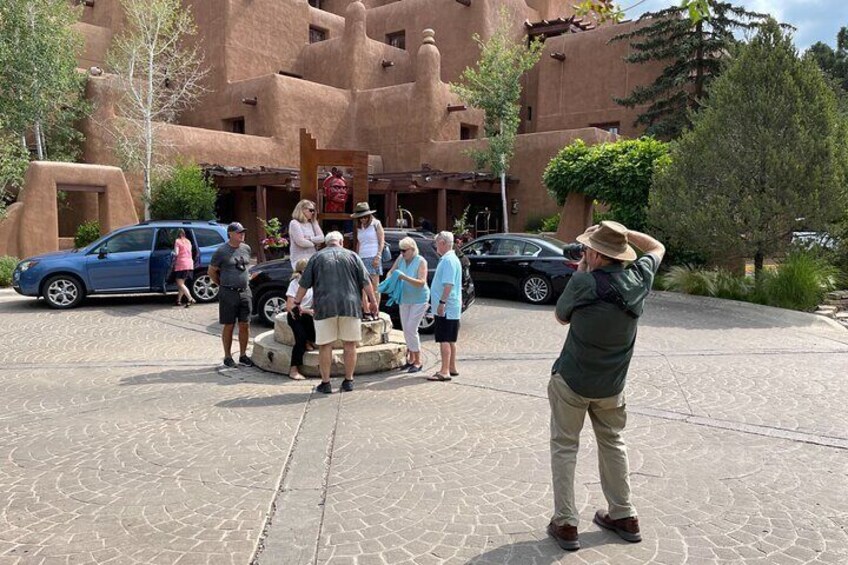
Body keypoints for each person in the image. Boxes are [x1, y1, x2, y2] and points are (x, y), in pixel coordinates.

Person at [546, 221, 664, 552]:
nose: (583, 252)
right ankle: (624, 515)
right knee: (613, 443)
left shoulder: (583, 282)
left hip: (572, 381)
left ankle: (566, 523)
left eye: (587, 248)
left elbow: (561, 316)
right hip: (612, 386)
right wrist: (624, 233)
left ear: (597, 254)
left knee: (565, 447)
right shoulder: (640, 277)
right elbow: (656, 247)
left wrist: (582, 270)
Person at [292, 231, 378, 394]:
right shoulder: (353, 256)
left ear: (326, 242)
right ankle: (349, 380)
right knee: (350, 344)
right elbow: (366, 282)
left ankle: (326, 383)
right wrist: (373, 303)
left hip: (325, 307)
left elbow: (304, 284)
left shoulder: (316, 258)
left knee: (325, 345)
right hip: (350, 306)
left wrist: (296, 303)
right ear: (341, 242)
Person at [208, 222, 255, 369]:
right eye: (239, 232)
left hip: (244, 291)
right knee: (229, 324)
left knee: (245, 324)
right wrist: (222, 284)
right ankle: (228, 356)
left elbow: (246, 267)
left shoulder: (246, 248)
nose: (242, 234)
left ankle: (243, 355)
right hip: (228, 292)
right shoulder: (221, 251)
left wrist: (248, 278)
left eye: (243, 232)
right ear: (230, 234)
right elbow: (212, 271)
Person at [385, 237, 429, 373]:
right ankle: (411, 359)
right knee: (406, 329)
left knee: (411, 328)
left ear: (412, 249)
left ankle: (418, 360)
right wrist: (388, 280)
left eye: (404, 250)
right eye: (401, 250)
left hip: (419, 299)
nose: (402, 253)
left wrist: (403, 277)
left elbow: (421, 282)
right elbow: (391, 271)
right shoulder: (401, 259)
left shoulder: (421, 261)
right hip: (404, 298)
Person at [427, 231, 462, 382]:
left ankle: (444, 370)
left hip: (447, 307)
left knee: (444, 339)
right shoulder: (452, 258)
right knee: (451, 339)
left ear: (442, 243)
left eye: (436, 244)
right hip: (452, 306)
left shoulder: (448, 260)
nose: (436, 247)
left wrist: (442, 303)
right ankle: (452, 367)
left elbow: (449, 284)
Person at [351, 202, 386, 317]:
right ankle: (366, 311)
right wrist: (356, 257)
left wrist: (378, 256)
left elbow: (381, 241)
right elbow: (359, 243)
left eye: (365, 217)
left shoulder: (376, 224)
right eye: (360, 217)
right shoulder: (359, 227)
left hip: (373, 256)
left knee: (375, 286)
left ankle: (375, 311)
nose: (363, 219)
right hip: (362, 257)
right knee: (362, 286)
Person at [285, 258, 315, 380]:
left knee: (316, 336)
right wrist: (307, 310)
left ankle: (309, 340)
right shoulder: (294, 284)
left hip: (308, 315)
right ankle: (293, 369)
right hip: (296, 315)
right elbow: (289, 306)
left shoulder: (313, 282)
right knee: (300, 340)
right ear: (303, 270)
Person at [289, 199, 324, 267]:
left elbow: (322, 238)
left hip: (312, 258)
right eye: (311, 210)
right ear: (302, 210)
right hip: (300, 260)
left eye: (314, 210)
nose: (313, 212)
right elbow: (301, 242)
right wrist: (314, 243)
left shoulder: (313, 222)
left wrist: (309, 238)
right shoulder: (294, 223)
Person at [173, 229, 195, 308]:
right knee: (182, 284)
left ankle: (190, 299)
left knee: (180, 283)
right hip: (189, 264)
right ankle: (178, 300)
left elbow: (176, 253)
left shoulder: (177, 241)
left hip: (181, 264)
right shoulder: (188, 241)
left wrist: (171, 252)